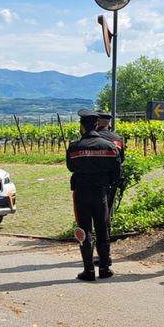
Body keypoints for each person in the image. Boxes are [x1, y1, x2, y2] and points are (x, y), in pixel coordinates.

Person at [66, 109, 123, 281]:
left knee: (84, 230)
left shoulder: (74, 147)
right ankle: (105, 268)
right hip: (102, 193)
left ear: (82, 127)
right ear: (97, 125)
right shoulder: (111, 147)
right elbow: (117, 173)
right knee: (102, 229)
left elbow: (71, 167)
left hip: (82, 193)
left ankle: (88, 270)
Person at [94, 112, 126, 271]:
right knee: (107, 216)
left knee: (98, 219)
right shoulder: (118, 138)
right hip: (112, 182)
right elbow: (122, 160)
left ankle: (103, 256)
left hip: (96, 182)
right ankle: (106, 254)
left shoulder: (94, 138)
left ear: (98, 122)